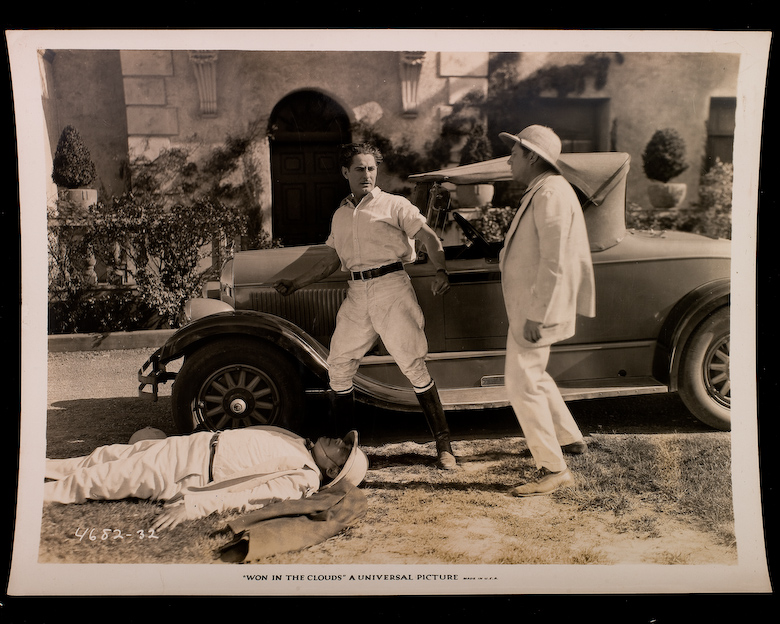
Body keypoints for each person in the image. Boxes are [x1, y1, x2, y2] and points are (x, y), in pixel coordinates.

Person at [273, 142, 457, 470]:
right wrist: (297, 283)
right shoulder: (342, 214)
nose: (367, 174)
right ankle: (348, 451)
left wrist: (440, 270)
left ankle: (444, 447)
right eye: (359, 168)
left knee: (413, 366)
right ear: (345, 172)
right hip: (357, 293)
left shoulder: (394, 205)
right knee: (339, 368)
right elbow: (332, 259)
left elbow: (429, 237)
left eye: (371, 168)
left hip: (391, 288)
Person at [497, 125, 596, 496]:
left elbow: (554, 260)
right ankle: (569, 438)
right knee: (534, 376)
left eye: (515, 152)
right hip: (531, 306)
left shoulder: (550, 192)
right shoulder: (545, 190)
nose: (509, 159)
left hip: (536, 308)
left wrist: (537, 313)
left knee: (521, 383)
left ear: (533, 157)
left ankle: (552, 469)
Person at [44, 425, 369, 530]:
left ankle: (38, 498)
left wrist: (193, 506)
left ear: (332, 471)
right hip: (192, 445)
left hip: (188, 472)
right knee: (102, 457)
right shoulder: (299, 442)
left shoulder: (305, 477)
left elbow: (248, 497)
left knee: (101, 478)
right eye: (346, 442)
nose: (340, 442)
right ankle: (36, 469)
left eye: (344, 450)